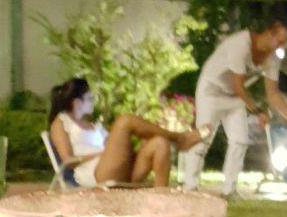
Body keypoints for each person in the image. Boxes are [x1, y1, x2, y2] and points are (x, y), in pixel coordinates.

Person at [182, 14, 287, 198]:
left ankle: (229, 190)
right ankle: (189, 187)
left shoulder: (272, 59)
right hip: (212, 90)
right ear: (269, 34)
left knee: (240, 140)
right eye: (280, 42)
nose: (281, 47)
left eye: (285, 44)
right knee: (203, 137)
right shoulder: (240, 44)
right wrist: (258, 112)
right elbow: (238, 85)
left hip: (234, 97)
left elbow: (273, 93)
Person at [48, 78, 207, 188]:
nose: (93, 101)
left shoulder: (92, 124)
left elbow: (114, 148)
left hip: (119, 170)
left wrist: (114, 148)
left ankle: (161, 198)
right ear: (77, 102)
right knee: (125, 121)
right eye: (90, 98)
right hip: (96, 174)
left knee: (160, 143)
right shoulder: (61, 122)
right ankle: (180, 138)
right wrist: (100, 154)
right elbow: (68, 160)